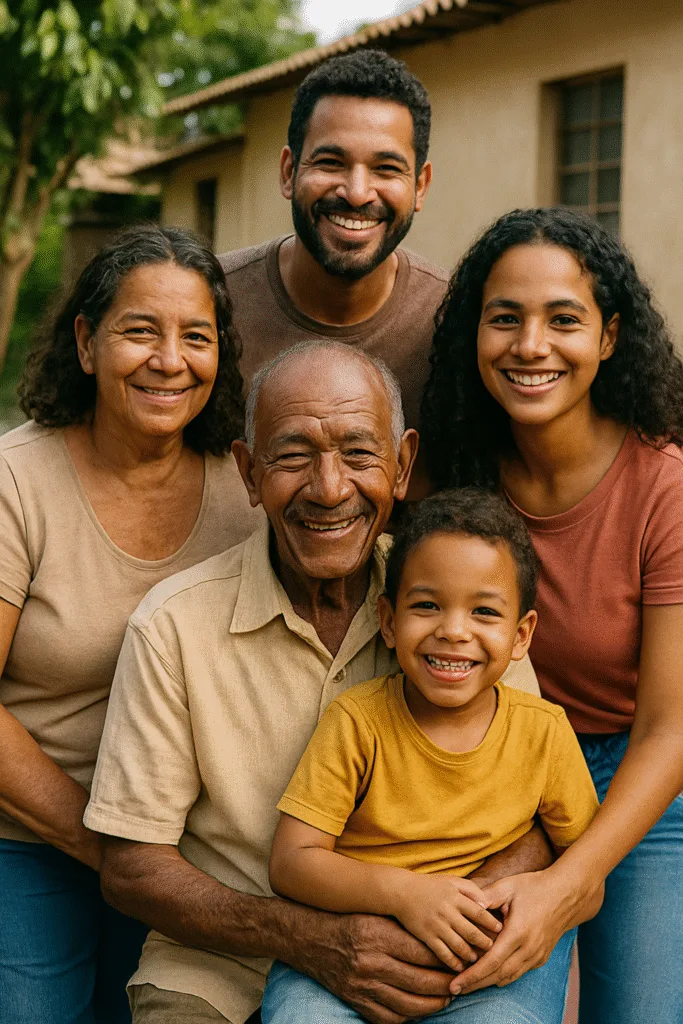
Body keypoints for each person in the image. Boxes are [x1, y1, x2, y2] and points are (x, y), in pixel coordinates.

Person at [85, 342, 544, 1024]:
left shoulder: (460, 601)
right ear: (247, 472)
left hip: (434, 963)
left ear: (401, 465)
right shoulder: (173, 626)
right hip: (219, 966)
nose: (328, 489)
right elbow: (132, 867)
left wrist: (437, 927)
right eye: (293, 456)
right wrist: (317, 941)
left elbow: (540, 811)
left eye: (359, 453)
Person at [420, 208, 683, 1023]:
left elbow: (669, 731)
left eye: (562, 320)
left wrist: (567, 885)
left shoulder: (663, 488)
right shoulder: (452, 468)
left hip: (637, 780)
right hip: (490, 767)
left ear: (607, 338)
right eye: (504, 319)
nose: (530, 346)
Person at [0, 224, 262, 1024]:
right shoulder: (19, 479)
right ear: (85, 342)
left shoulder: (245, 485)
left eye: (196, 336)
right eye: (139, 331)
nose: (169, 359)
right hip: (35, 839)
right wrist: (106, 846)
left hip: (191, 852)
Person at [263, 488, 600, 1024]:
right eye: (427, 605)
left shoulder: (544, 733)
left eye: (484, 611)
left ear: (521, 636)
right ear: (389, 622)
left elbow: (586, 875)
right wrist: (406, 896)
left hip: (487, 974)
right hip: (344, 969)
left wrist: (534, 899)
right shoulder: (359, 722)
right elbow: (292, 862)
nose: (454, 630)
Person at [219, 48, 447, 439]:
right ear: (290, 172)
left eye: (386, 169)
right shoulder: (213, 302)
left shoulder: (454, 320)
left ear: (420, 186)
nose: (358, 194)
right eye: (330, 163)